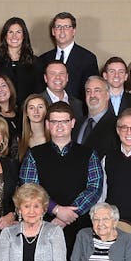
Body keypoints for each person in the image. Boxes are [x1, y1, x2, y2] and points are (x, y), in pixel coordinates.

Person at [19, 101, 103, 243]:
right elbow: (29, 189)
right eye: (54, 121)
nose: (59, 126)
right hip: (44, 226)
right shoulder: (34, 154)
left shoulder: (89, 154)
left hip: (81, 228)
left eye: (64, 121)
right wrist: (56, 210)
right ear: (47, 124)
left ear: (72, 123)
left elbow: (95, 188)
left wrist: (69, 214)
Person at [39, 12, 98, 102]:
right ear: (53, 31)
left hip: (77, 112)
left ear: (74, 31)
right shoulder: (43, 59)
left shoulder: (88, 58)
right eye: (58, 27)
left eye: (66, 27)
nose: (62, 30)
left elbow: (91, 91)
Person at [0, 17, 43, 103]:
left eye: (18, 32)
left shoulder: (36, 63)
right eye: (10, 32)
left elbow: (40, 92)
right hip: (0, 113)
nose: (14, 36)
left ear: (24, 36)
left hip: (27, 112)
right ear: (5, 36)